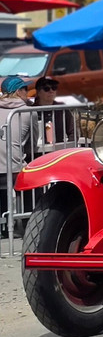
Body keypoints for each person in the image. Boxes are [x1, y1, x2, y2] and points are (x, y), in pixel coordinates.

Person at [0, 75, 31, 236]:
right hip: (13, 168)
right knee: (32, 182)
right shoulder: (26, 111)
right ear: (19, 92)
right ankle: (27, 225)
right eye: (25, 89)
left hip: (2, 169)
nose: (28, 92)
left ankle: (4, 226)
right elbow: (33, 142)